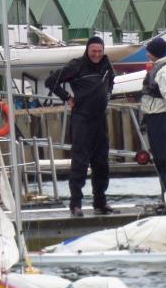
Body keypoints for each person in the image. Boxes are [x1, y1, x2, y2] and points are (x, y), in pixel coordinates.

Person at [45, 36, 115, 217]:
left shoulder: (107, 65)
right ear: (87, 50)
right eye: (93, 51)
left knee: (101, 162)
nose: (97, 55)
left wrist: (107, 94)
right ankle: (75, 204)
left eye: (100, 51)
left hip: (100, 119)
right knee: (80, 162)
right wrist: (67, 98)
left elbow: (111, 81)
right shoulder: (76, 66)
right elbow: (51, 81)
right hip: (82, 119)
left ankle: (100, 201)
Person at [140, 37, 166, 201]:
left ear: (154, 52)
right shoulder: (159, 67)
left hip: (160, 117)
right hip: (153, 116)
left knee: (163, 159)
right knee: (159, 159)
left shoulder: (165, 70)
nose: (147, 54)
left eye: (149, 51)